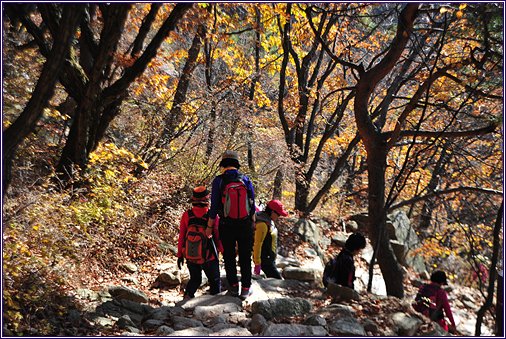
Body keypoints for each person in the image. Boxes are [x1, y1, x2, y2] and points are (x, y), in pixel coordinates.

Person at [207, 150, 256, 298]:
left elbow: (214, 206)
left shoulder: (219, 181)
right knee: (245, 256)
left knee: (228, 255)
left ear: (223, 164)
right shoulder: (246, 180)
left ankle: (233, 287)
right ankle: (246, 288)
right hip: (245, 223)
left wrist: (209, 227)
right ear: (236, 164)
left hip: (226, 224)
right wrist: (253, 223)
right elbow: (252, 204)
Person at [177, 186, 223, 299]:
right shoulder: (213, 217)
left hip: (191, 255)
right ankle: (215, 304)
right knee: (215, 281)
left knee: (195, 279)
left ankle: (187, 298)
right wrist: (223, 252)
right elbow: (218, 237)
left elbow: (182, 236)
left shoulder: (187, 215)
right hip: (209, 256)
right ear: (207, 202)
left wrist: (180, 255)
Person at [253, 200, 288, 279]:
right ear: (272, 212)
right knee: (279, 281)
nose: (279, 216)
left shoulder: (269, 220)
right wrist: (257, 263)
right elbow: (257, 244)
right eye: (278, 214)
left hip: (270, 259)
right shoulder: (262, 224)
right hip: (266, 261)